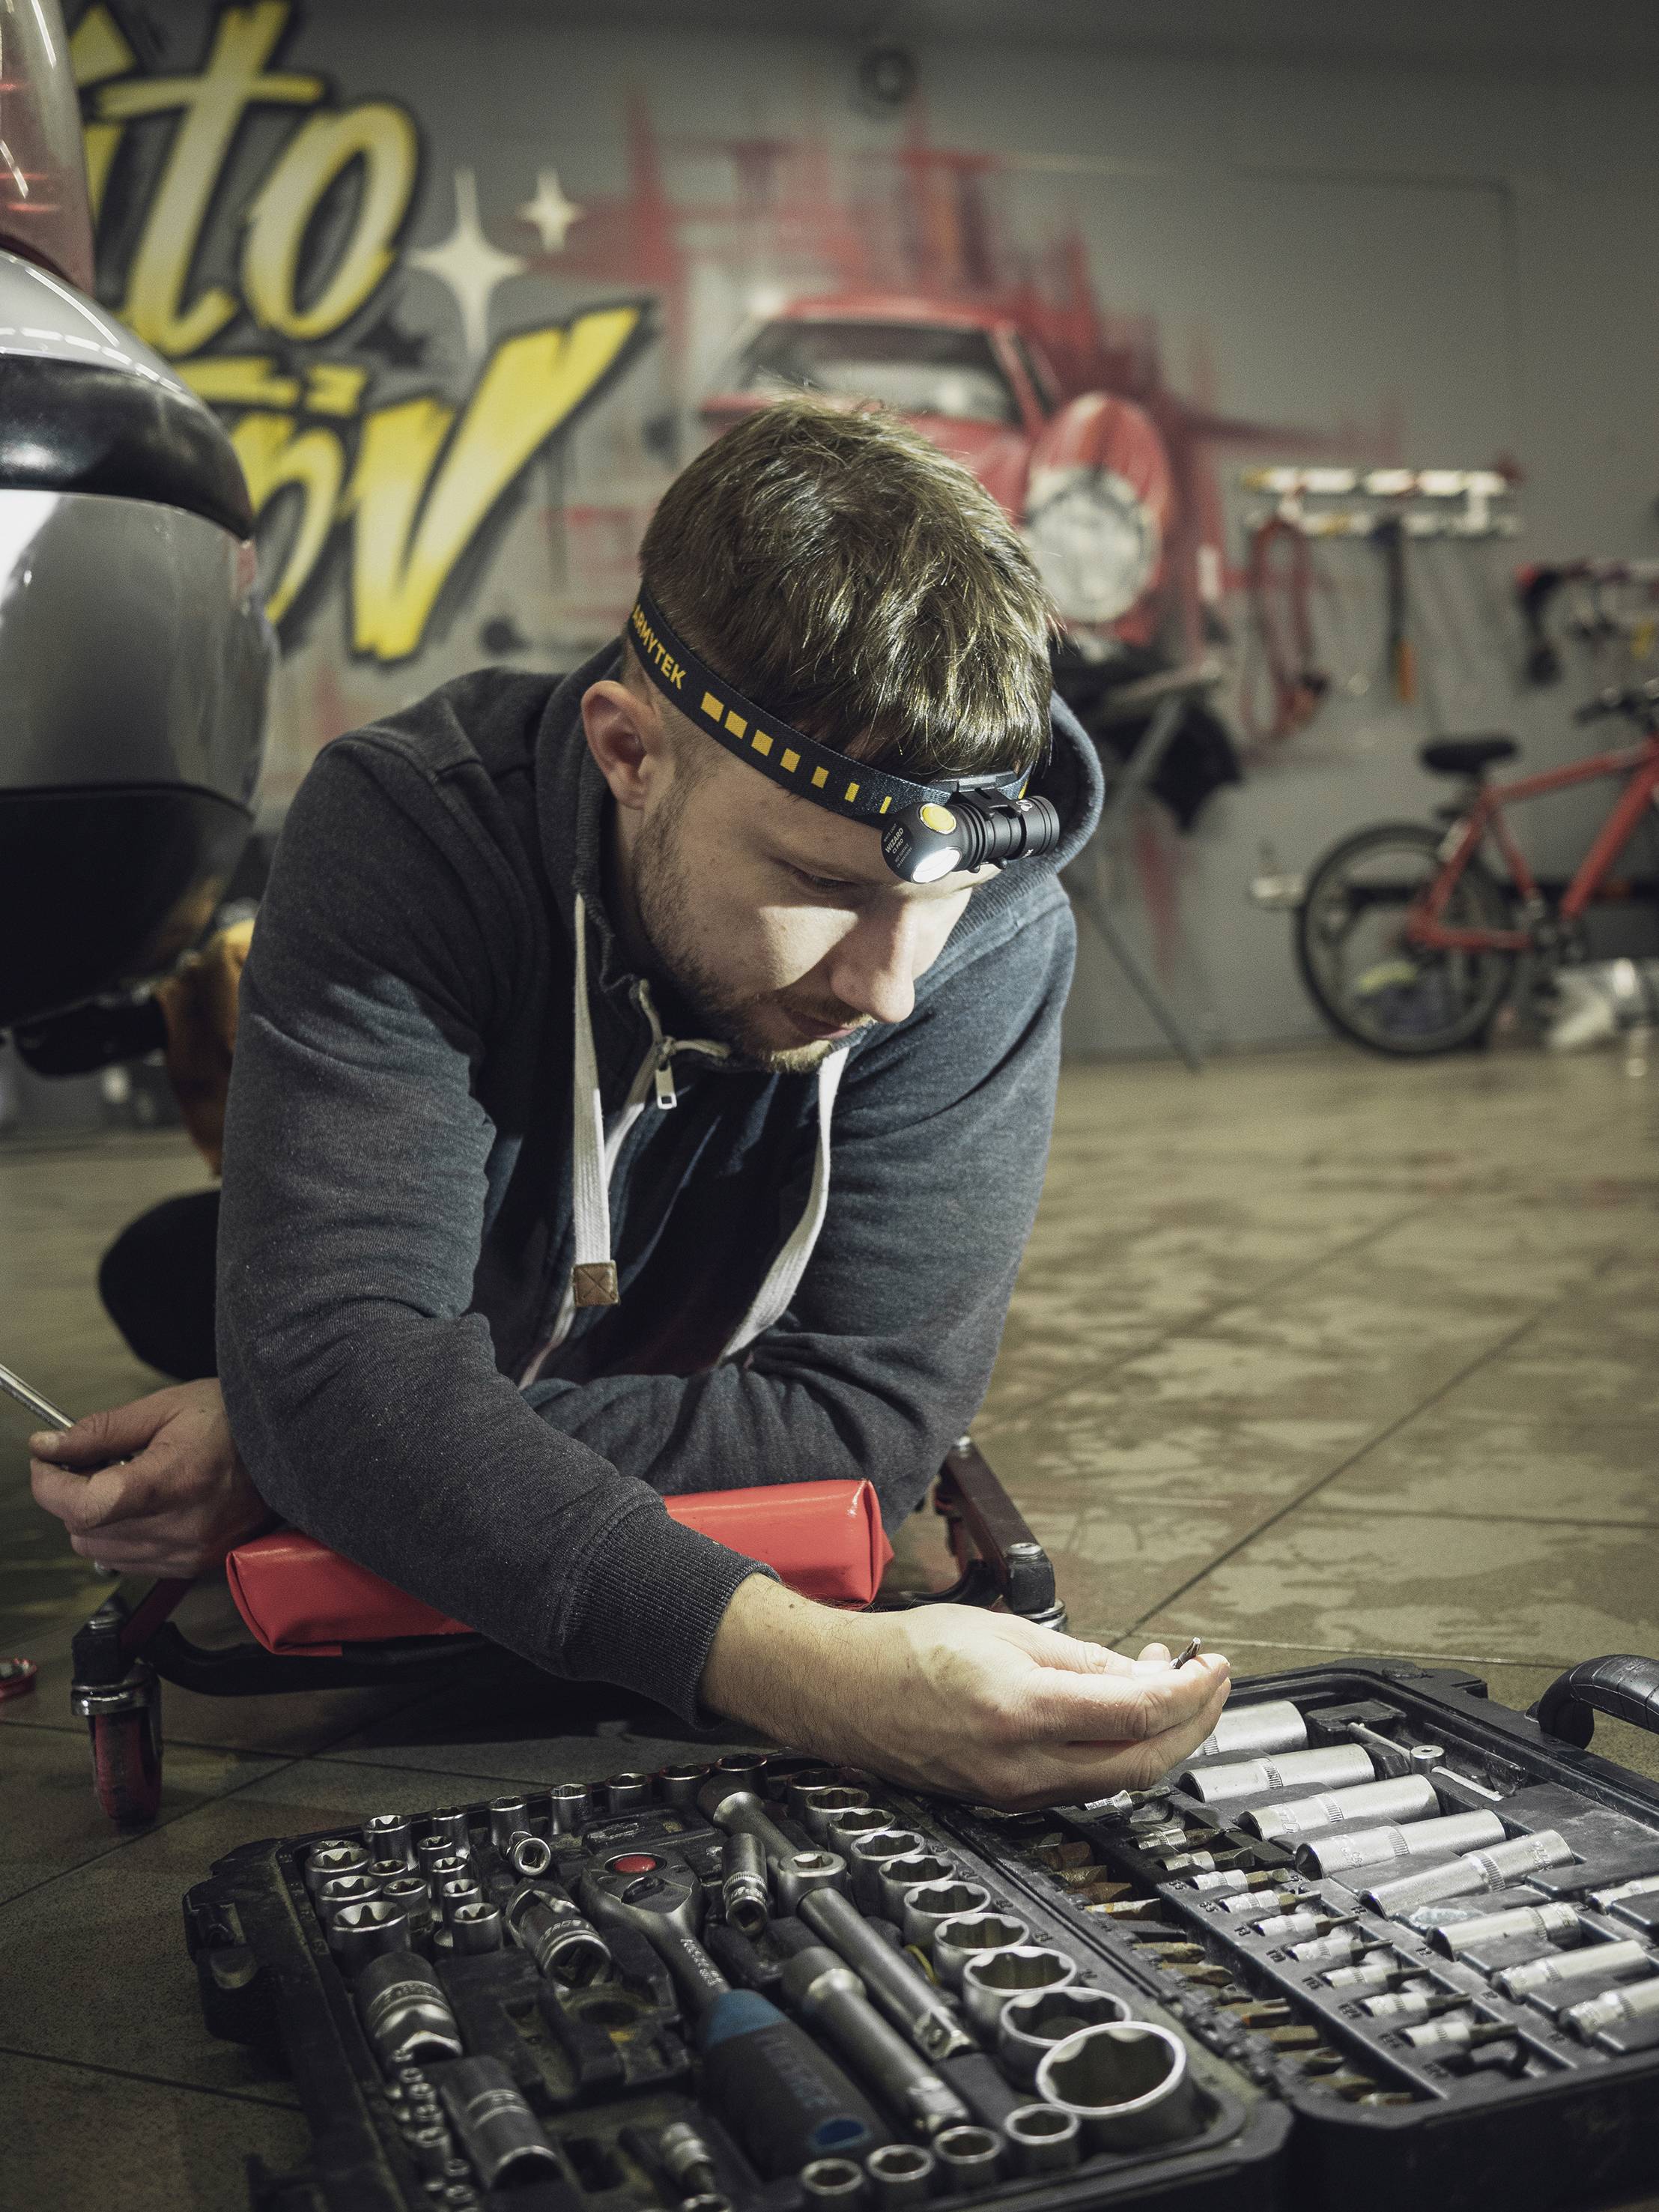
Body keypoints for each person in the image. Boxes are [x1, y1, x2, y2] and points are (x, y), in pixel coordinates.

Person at [31, 397, 1229, 1803]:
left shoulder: (996, 936)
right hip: (490, 1256)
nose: (895, 983)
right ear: (628, 749)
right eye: (827, 887)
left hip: (593, 1316)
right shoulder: (412, 830)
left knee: (296, 1369)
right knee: (177, 1275)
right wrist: (810, 1669)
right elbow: (343, 1359)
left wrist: (331, 1439)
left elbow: (863, 1418)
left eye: (942, 901)